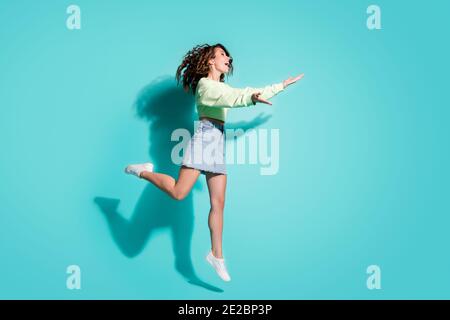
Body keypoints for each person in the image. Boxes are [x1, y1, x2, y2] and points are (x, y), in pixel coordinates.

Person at [125, 43, 304, 282]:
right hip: (204, 138)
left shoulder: (221, 86)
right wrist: (251, 97)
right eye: (221, 54)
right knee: (179, 193)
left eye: (227, 54)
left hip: (217, 140)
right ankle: (144, 172)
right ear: (210, 61)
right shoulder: (205, 86)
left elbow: (235, 94)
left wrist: (279, 86)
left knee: (218, 203)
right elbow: (234, 97)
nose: (227, 57)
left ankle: (216, 256)